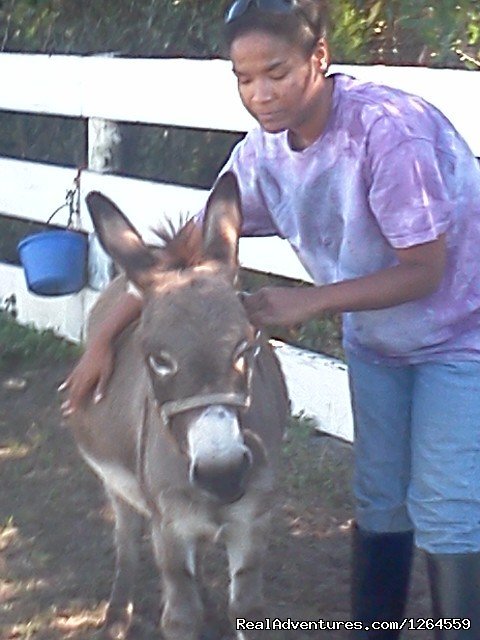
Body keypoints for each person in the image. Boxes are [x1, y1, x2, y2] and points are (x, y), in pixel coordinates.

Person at [61, 0, 480, 636]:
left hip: (461, 332)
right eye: (243, 78)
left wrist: (308, 301)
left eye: (277, 72)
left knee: (447, 505)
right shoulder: (263, 155)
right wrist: (100, 338)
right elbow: (179, 261)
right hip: (379, 336)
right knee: (379, 498)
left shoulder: (389, 132)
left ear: (319, 57)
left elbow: (425, 269)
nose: (261, 94)